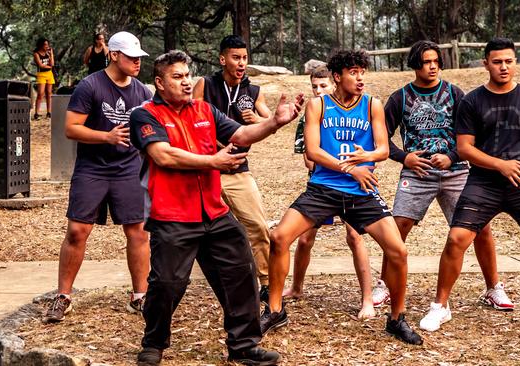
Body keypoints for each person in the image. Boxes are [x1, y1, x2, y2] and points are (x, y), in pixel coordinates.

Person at [129, 50, 304, 366]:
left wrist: (275, 122)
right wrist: (213, 161)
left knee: (241, 274)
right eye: (177, 77)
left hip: (214, 212)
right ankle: (153, 343)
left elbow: (241, 133)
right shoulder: (145, 115)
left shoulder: (204, 110)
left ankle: (244, 345)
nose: (186, 82)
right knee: (167, 284)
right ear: (159, 82)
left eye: (188, 75)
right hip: (173, 216)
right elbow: (163, 155)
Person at [419, 38, 520, 337]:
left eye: (508, 61)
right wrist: (500, 165)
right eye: (497, 62)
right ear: (486, 64)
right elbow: (465, 149)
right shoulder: (472, 101)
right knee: (457, 238)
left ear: (515, 62)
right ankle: (440, 306)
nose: (503, 67)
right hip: (485, 181)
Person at [261, 50, 423, 345]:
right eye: (353, 72)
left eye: (363, 72)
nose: (360, 78)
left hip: (361, 193)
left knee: (398, 252)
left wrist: (366, 158)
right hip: (323, 188)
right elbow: (313, 151)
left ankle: (397, 319)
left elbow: (383, 150)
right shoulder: (318, 105)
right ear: (337, 76)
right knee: (280, 237)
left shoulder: (373, 104)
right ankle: (274, 310)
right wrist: (351, 168)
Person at [372, 40, 514, 312]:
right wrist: (405, 157)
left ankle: (493, 288)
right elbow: (381, 140)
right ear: (415, 64)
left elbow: (471, 136)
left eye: (436, 60)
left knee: (480, 228)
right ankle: (384, 285)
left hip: (456, 172)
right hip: (417, 174)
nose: (433, 66)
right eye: (426, 62)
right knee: (396, 227)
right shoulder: (400, 98)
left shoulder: (456, 94)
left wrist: (453, 155)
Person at [44, 31, 152, 323]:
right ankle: (63, 296)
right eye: (131, 57)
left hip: (129, 168)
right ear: (114, 55)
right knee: (78, 231)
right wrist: (107, 136)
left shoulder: (143, 91)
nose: (137, 63)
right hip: (92, 168)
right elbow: (71, 128)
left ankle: (140, 297)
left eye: (139, 58)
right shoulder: (90, 86)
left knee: (138, 231)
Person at [285, 65, 375, 319]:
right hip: (321, 186)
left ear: (334, 83)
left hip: (352, 186)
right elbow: (309, 159)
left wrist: (346, 163)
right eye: (314, 86)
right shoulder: (311, 114)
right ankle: (296, 287)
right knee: (304, 238)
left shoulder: (355, 109)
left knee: (355, 237)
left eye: (322, 86)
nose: (318, 91)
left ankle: (367, 300)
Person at [193, 35, 273, 302]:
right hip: (204, 169)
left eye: (245, 58)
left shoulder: (253, 90)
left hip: (238, 170)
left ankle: (266, 282)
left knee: (258, 226)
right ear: (222, 59)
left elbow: (269, 120)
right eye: (236, 58)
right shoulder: (206, 84)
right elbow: (191, 117)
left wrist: (256, 119)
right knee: (189, 231)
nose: (241, 63)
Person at [33, 37, 55, 120]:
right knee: (41, 94)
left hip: (49, 74)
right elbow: (40, 65)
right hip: (41, 74)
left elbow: (52, 64)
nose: (47, 46)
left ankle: (49, 112)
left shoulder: (48, 53)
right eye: (45, 44)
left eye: (47, 44)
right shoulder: (36, 54)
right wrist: (49, 66)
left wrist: (51, 54)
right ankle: (36, 113)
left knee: (49, 93)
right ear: (41, 45)